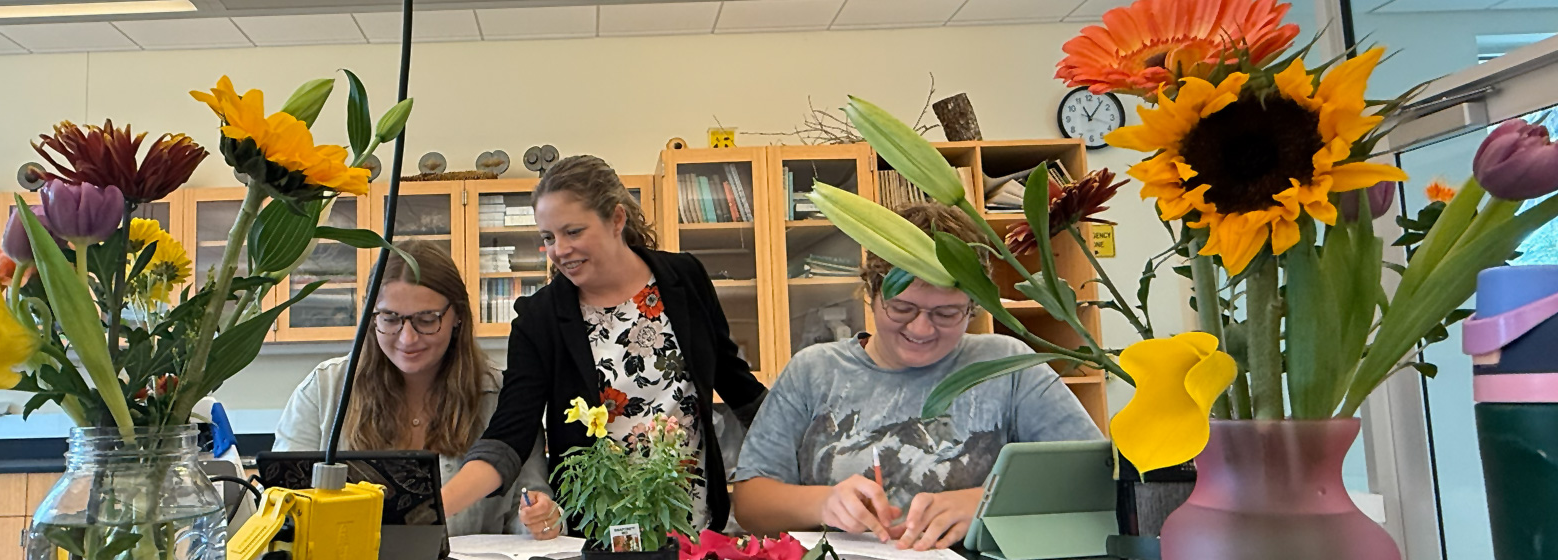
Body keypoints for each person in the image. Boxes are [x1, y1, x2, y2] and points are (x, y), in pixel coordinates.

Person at [730, 202, 1100, 550]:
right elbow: (751, 504)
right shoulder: (814, 370)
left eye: (946, 313)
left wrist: (986, 503)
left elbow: (1093, 476)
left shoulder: (1008, 364)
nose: (921, 329)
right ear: (872, 292)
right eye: (902, 308)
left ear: (974, 307)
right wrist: (823, 503)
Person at [442, 155, 770, 533]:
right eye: (548, 237)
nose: (559, 250)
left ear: (616, 219)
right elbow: (509, 434)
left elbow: (737, 384)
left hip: (695, 522)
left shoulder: (685, 278)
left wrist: (802, 447)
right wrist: (435, 512)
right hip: (596, 534)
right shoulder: (539, 319)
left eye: (573, 232)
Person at [273, 240, 559, 538]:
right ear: (371, 317)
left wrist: (539, 517)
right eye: (390, 319)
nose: (407, 339)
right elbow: (282, 507)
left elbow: (529, 507)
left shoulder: (503, 397)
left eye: (426, 319)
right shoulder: (324, 390)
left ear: (458, 316)